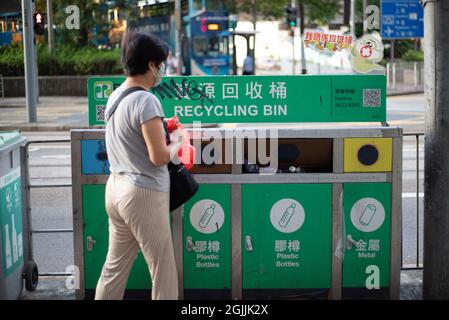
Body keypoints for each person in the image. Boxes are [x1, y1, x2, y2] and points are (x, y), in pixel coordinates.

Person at [95, 31, 185, 300]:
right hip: (142, 193)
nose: (161, 69)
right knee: (162, 268)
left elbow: (131, 138)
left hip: (116, 189)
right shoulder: (146, 100)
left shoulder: (116, 96)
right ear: (150, 64)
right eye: (160, 63)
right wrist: (178, 141)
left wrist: (160, 126)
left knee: (114, 268)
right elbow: (159, 156)